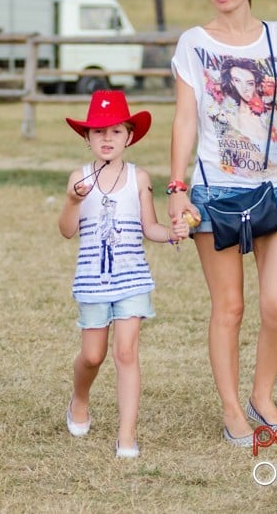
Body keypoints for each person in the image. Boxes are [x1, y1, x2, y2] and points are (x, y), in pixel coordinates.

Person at [168, 0, 277, 447]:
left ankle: (263, 396)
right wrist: (176, 187)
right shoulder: (194, 42)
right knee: (229, 308)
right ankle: (233, 409)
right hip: (215, 191)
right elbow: (186, 118)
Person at [59, 90, 188, 458]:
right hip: (91, 280)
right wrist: (71, 201)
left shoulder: (139, 177)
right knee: (93, 356)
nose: (107, 139)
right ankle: (79, 399)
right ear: (86, 138)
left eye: (116, 131)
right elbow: (67, 230)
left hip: (132, 277)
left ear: (129, 136)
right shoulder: (78, 179)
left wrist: (173, 233)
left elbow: (151, 227)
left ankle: (127, 434)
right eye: (98, 132)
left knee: (126, 352)